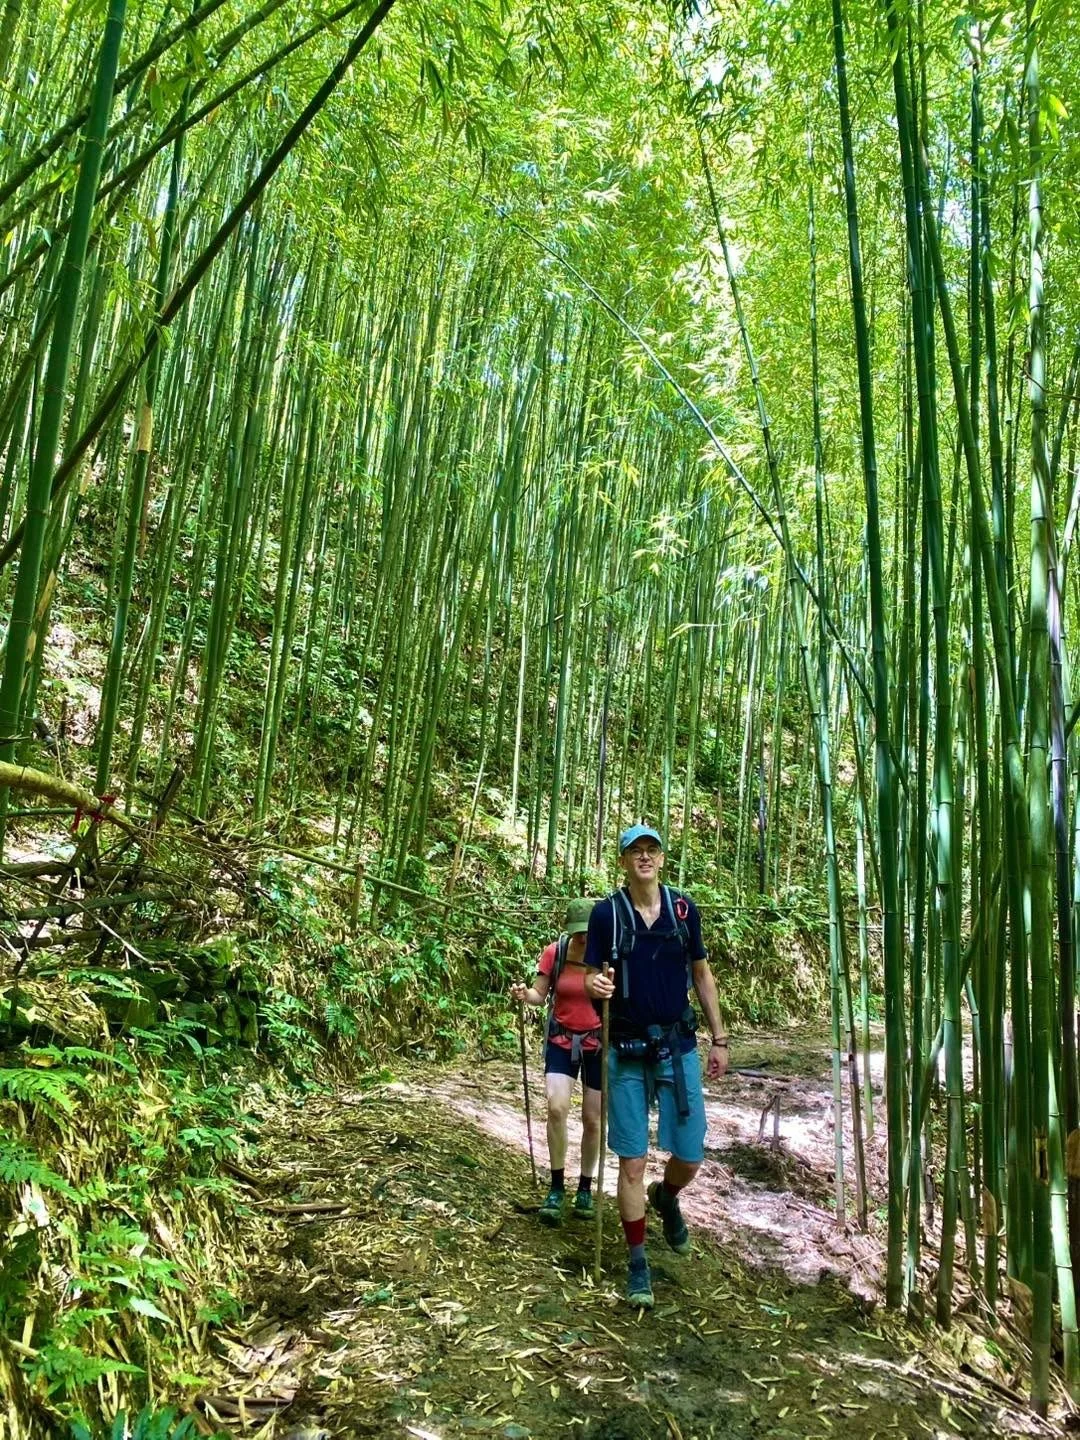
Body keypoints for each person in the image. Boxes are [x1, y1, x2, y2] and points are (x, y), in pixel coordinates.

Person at [584, 825, 728, 1308]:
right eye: (635, 851)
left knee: (690, 1154)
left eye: (651, 850)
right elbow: (590, 976)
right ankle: (638, 1262)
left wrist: (719, 1038)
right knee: (631, 1161)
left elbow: (701, 974)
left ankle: (666, 1196)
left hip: (677, 1046)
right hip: (625, 1051)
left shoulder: (684, 909)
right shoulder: (606, 914)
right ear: (623, 861)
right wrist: (594, 986)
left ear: (662, 858)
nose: (644, 857)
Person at [511, 898, 602, 1225]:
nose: (583, 938)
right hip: (561, 1040)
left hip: (597, 1044)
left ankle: (585, 1188)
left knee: (593, 1119)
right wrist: (526, 995)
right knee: (556, 1108)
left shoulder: (606, 955)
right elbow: (540, 993)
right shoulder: (556, 952)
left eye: (587, 932)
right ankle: (557, 1186)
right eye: (578, 932)